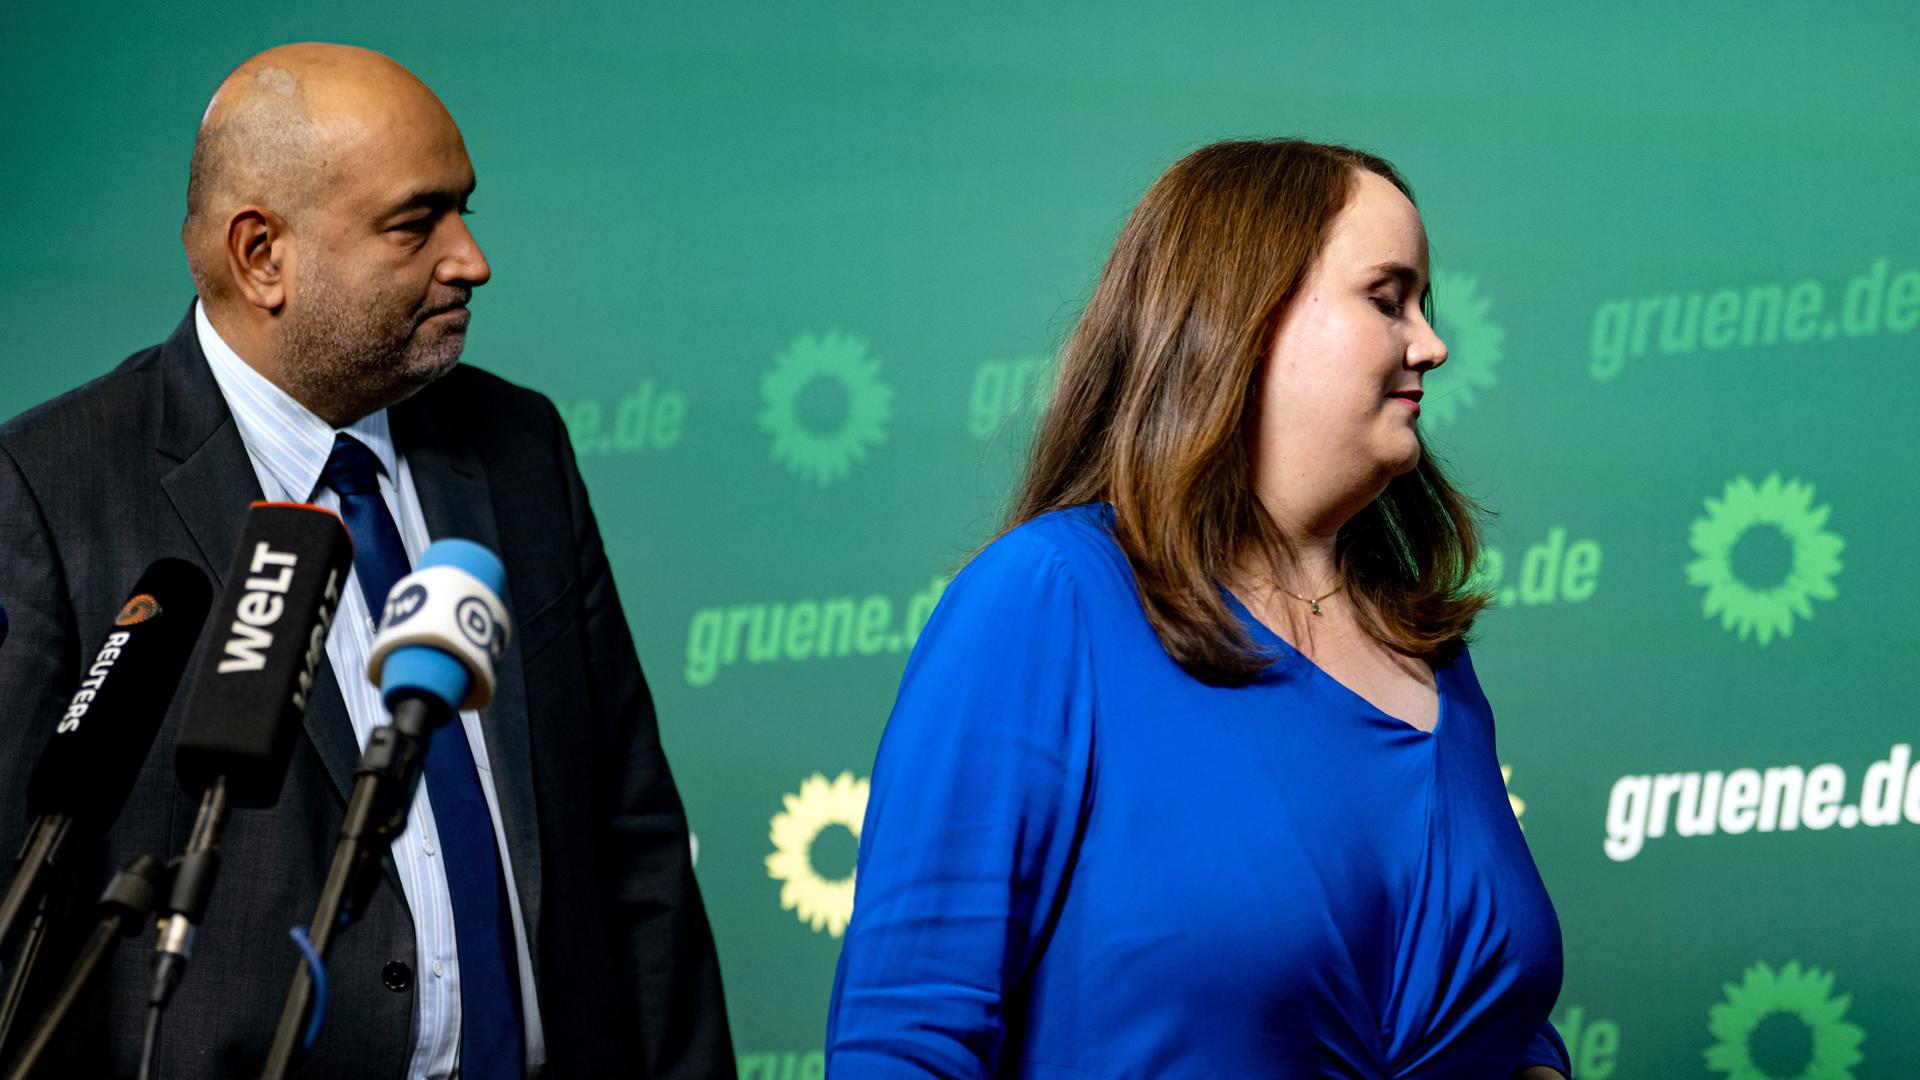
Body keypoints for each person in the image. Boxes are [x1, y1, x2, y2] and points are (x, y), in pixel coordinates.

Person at [0, 44, 733, 1079]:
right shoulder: (48, 490)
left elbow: (633, 843)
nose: (470, 257)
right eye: (416, 222)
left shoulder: (519, 450)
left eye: (465, 210)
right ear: (263, 255)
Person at [825, 139, 1572, 1079]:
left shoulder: (1432, 654)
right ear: (1249, 314)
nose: (1432, 344)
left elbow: (1497, 1017)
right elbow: (907, 1039)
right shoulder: (1050, 599)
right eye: (1388, 300)